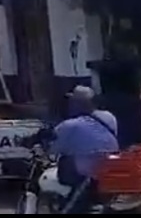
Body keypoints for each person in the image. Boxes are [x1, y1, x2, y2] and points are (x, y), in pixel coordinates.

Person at [51, 85, 120, 214]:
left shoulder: (70, 125)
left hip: (84, 176)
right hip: (109, 171)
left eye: (73, 102)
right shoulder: (109, 117)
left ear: (76, 104)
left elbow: (54, 148)